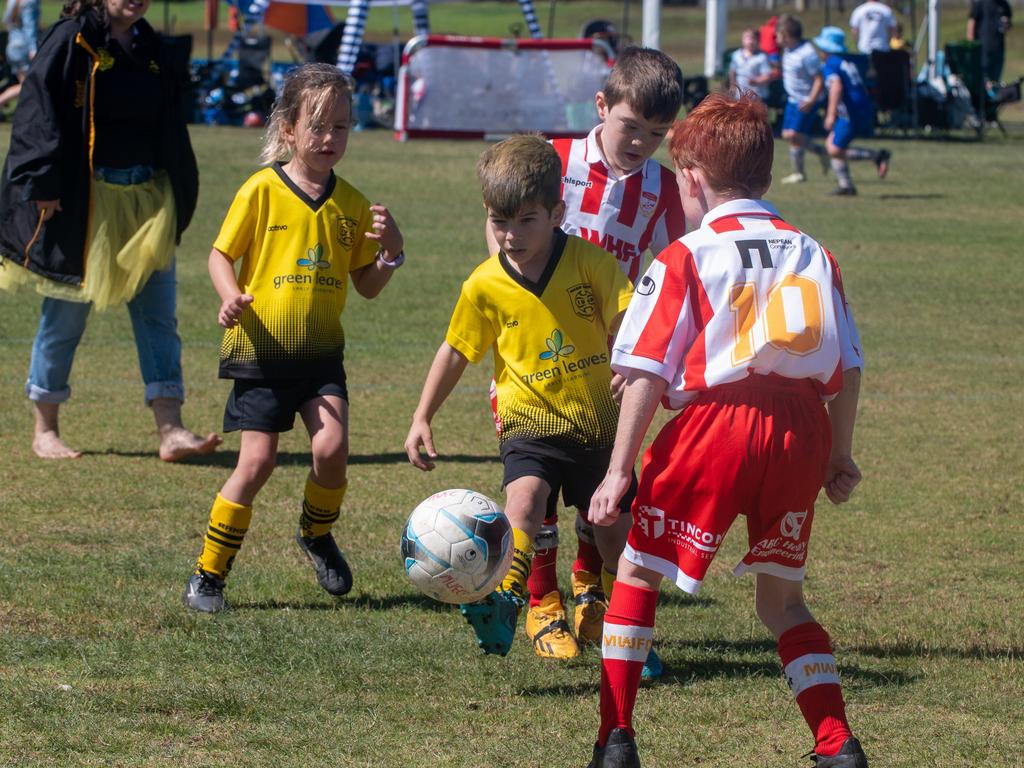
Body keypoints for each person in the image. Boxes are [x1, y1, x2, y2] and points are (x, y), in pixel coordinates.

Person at [582, 91, 867, 768]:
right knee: (784, 602)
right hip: (801, 430)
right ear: (766, 176)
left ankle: (614, 739)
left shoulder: (689, 253)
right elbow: (850, 365)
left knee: (636, 572)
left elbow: (647, 370)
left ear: (691, 178)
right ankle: (837, 744)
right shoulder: (813, 252)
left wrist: (619, 472)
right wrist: (841, 451)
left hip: (717, 425)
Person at [483, 47, 684, 669]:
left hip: (608, 371)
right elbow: (501, 216)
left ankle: (594, 591)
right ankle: (541, 603)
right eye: (632, 127)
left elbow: (681, 262)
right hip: (534, 361)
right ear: (602, 107)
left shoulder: (662, 187)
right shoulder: (555, 160)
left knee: (603, 494)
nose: (642, 143)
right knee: (536, 491)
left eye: (657, 134)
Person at [182, 63, 405, 612]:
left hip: (321, 356)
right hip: (260, 351)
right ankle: (208, 576)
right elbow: (219, 254)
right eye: (319, 126)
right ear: (287, 127)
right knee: (255, 466)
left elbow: (367, 286)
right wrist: (229, 294)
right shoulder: (262, 189)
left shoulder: (353, 205)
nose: (330, 139)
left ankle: (316, 532)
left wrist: (391, 254)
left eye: (343, 128)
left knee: (331, 448)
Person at [405, 135, 634, 659]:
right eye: (498, 221)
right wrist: (422, 416)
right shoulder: (484, 284)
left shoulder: (591, 265)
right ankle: (509, 604)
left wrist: (628, 361)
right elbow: (455, 350)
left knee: (615, 534)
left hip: (601, 426)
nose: (510, 235)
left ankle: (628, 632)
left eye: (526, 220)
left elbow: (630, 324)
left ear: (557, 212)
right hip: (529, 423)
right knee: (524, 504)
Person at [0, 0, 220, 461]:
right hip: (85, 205)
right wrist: (44, 183)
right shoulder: (71, 38)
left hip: (147, 200)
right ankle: (45, 430)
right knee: (64, 319)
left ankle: (171, 429)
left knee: (158, 315)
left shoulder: (150, 45)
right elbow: (38, 110)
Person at [814, 26, 891, 196]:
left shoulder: (831, 63)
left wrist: (831, 113)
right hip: (860, 106)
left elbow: (836, 87)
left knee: (834, 148)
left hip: (851, 111)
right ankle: (846, 185)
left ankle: (876, 155)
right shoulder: (844, 61)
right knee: (831, 144)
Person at [776, 15, 829, 184]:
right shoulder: (788, 49)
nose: (775, 38)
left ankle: (800, 172)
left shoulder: (807, 54)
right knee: (787, 135)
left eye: (778, 34)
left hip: (806, 99)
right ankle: (818, 153)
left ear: (785, 34)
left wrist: (812, 100)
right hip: (793, 99)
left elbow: (819, 79)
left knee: (794, 134)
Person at [0, 0, 38, 111]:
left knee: (25, 84)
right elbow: (30, 28)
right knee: (28, 85)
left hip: (12, 46)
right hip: (24, 48)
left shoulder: (12, 1)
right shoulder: (31, 2)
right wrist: (33, 49)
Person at [967, 0, 1013, 92]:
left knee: (995, 80)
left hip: (999, 48)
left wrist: (1007, 24)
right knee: (984, 79)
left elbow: (1009, 23)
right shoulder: (981, 3)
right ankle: (983, 101)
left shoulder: (1004, 4)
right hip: (983, 48)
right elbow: (972, 22)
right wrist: (971, 44)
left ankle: (992, 102)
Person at [729, 28, 774, 101]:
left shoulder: (762, 57)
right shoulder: (736, 55)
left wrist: (757, 81)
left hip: (757, 96)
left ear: (758, 41)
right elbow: (733, 72)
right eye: (747, 38)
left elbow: (767, 76)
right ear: (742, 39)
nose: (750, 41)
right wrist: (733, 85)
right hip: (740, 96)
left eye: (753, 38)